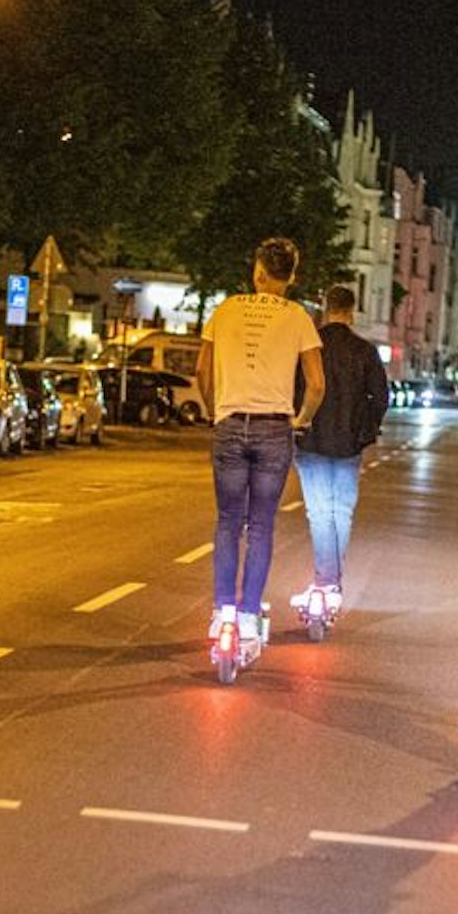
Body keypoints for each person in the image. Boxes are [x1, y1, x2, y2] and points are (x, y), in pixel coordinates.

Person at [196, 238, 326, 658]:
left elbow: (202, 369)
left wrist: (216, 408)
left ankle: (222, 613)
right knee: (262, 526)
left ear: (257, 273)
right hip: (274, 429)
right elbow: (318, 384)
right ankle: (249, 616)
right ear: (291, 276)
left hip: (230, 424)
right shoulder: (299, 318)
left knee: (228, 522)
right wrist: (301, 419)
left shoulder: (225, 309)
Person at [290, 284, 391, 614]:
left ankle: (325, 581)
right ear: (352, 310)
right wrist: (366, 430)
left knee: (319, 512)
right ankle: (331, 582)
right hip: (349, 444)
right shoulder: (364, 351)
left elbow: (293, 389)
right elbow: (380, 397)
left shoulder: (309, 347)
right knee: (341, 513)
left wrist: (297, 423)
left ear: (324, 307)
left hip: (311, 439)